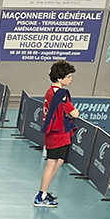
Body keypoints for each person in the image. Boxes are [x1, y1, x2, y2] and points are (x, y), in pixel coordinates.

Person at [36, 60, 79, 208]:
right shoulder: (60, 94)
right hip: (57, 133)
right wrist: (74, 112)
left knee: (59, 161)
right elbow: (74, 113)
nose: (71, 79)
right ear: (60, 78)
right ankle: (40, 196)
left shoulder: (50, 91)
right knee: (51, 163)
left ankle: (44, 191)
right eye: (69, 76)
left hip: (58, 132)